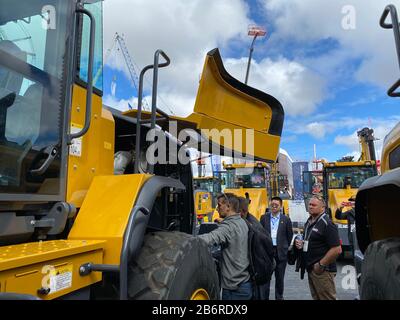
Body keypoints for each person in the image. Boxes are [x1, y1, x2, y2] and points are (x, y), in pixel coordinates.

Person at [198, 193, 252, 300]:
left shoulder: (228, 227)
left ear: (228, 206)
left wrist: (184, 240)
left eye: (219, 205)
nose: (217, 209)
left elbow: (209, 238)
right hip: (245, 283)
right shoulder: (242, 222)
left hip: (234, 289)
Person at [295, 195, 342, 300]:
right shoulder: (309, 221)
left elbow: (336, 249)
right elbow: (311, 240)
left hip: (323, 271)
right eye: (310, 204)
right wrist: (302, 243)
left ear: (322, 208)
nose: (310, 207)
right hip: (311, 269)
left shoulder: (327, 224)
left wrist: (321, 265)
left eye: (314, 205)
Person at [238, 196, 274, 300]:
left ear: (240, 212)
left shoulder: (253, 229)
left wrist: (256, 275)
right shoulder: (249, 223)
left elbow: (262, 256)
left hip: (259, 277)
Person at [260, 196, 293, 300]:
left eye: (276, 205)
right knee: (266, 278)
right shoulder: (264, 218)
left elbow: (289, 236)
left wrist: (285, 248)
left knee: (279, 279)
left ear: (281, 206)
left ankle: (279, 297)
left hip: (280, 253)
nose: (274, 207)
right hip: (267, 252)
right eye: (272, 205)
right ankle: (264, 297)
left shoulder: (286, 220)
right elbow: (260, 234)